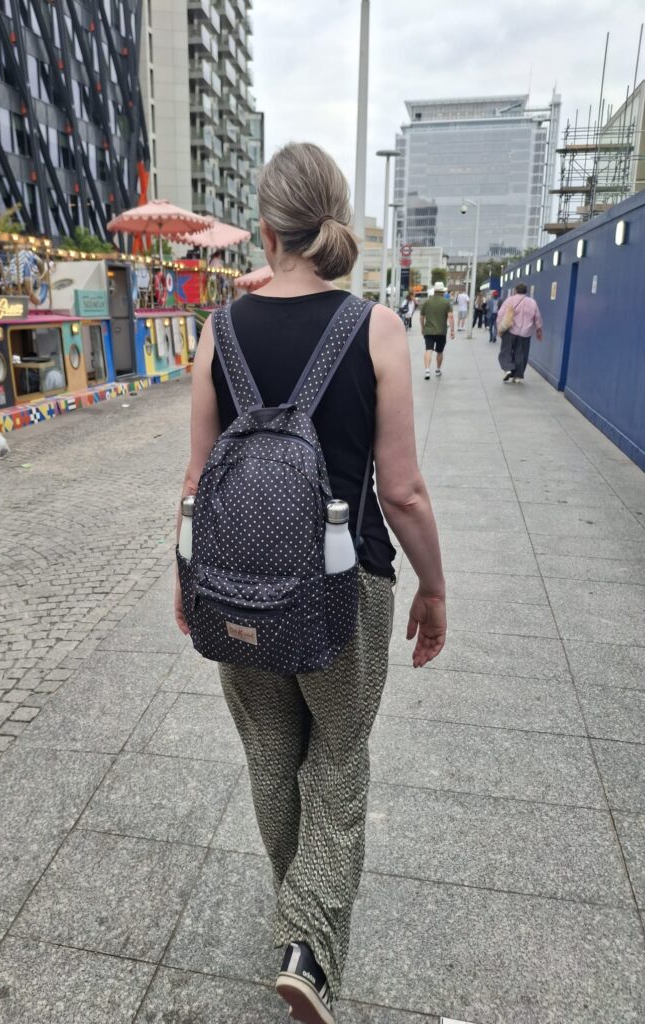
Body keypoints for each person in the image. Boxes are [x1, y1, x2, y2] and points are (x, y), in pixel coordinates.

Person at [175, 142, 446, 1024]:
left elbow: (195, 478)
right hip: (345, 592)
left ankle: (296, 911)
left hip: (236, 586)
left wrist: (186, 582)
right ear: (334, 219)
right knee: (337, 758)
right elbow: (401, 490)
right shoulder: (376, 328)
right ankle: (306, 945)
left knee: (269, 754)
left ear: (264, 229)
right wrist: (433, 588)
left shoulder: (220, 330)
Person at [496, 282, 543, 383]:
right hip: (525, 333)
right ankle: (517, 376)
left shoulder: (510, 300)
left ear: (515, 291)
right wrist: (539, 329)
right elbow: (537, 317)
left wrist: (499, 327)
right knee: (521, 354)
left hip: (510, 330)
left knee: (506, 350)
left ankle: (508, 369)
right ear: (526, 291)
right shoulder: (532, 302)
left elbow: (501, 314)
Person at [419, 281, 455, 379]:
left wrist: (422, 328)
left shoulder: (427, 302)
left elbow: (421, 316)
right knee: (439, 351)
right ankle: (438, 370)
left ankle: (427, 370)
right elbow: (450, 317)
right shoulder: (446, 302)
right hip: (441, 331)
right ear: (443, 291)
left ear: (434, 290)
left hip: (428, 331)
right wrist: (452, 330)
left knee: (428, 350)